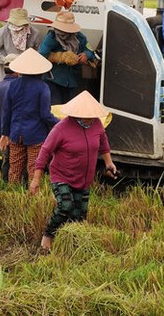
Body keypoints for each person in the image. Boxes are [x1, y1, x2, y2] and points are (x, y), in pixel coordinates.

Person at [29, 90, 117, 254]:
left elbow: (103, 145)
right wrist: (36, 179)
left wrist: (109, 163)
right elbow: (45, 152)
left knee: (80, 215)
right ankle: (47, 237)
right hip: (62, 175)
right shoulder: (61, 128)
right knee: (65, 206)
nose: (89, 119)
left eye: (91, 115)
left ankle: (71, 244)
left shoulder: (96, 124)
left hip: (84, 178)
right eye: (86, 116)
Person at [0, 48, 60, 185]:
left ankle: (13, 194)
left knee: (14, 169)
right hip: (35, 135)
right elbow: (45, 115)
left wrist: (5, 133)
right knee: (34, 169)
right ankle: (32, 196)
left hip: (16, 134)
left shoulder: (13, 85)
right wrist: (59, 122)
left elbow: (6, 111)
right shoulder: (42, 87)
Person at [38, 10, 96, 104]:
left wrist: (86, 55)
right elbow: (42, 55)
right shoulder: (51, 38)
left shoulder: (80, 38)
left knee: (72, 108)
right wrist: (60, 57)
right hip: (54, 79)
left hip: (74, 80)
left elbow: (91, 52)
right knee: (56, 107)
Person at [0, 8, 44, 83]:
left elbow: (39, 52)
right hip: (6, 74)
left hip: (26, 73)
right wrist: (5, 60)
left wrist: (28, 60)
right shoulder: (3, 32)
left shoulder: (34, 33)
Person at [0, 53, 19, 182]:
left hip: (2, 130)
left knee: (7, 160)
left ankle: (4, 183)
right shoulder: (17, 88)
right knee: (16, 163)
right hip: (15, 133)